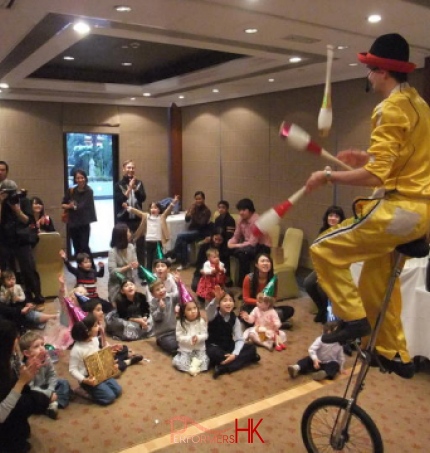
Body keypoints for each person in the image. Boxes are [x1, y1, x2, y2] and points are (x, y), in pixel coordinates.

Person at [304, 33, 430, 379]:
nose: (368, 76)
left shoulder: (388, 108)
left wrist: (329, 175)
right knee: (374, 281)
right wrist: (368, 156)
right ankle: (394, 352)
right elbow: (403, 159)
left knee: (323, 249)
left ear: (380, 71)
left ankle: (353, 319)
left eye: (369, 69)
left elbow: (377, 177)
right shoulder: (418, 103)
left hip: (399, 212)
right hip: (422, 213)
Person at [0, 319, 50, 453]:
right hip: (3, 412)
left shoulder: (9, 355)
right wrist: (22, 381)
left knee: (39, 398)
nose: (17, 340)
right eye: (14, 339)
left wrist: (26, 368)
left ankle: (18, 434)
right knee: (36, 400)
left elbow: (17, 368)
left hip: (9, 392)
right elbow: (1, 415)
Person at [0, 161, 45, 305]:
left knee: (29, 269)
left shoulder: (23, 200)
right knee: (9, 270)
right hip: (5, 240)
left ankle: (36, 294)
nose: (9, 195)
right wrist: (1, 203)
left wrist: (17, 209)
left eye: (11, 192)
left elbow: (27, 221)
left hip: (22, 240)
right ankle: (14, 298)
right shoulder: (1, 201)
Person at [205, 286, 261, 379]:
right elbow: (209, 310)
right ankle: (244, 359)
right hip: (213, 346)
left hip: (228, 346)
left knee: (251, 347)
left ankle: (223, 367)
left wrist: (234, 355)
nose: (228, 303)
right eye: (225, 300)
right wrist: (216, 299)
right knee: (216, 354)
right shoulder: (214, 314)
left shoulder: (235, 319)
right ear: (219, 304)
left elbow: (239, 339)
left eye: (230, 300)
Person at [303, 206, 346, 323]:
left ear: (341, 219)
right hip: (322, 267)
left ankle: (328, 312)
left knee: (322, 287)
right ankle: (321, 308)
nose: (332, 218)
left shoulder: (343, 233)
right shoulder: (322, 231)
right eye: (330, 215)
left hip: (336, 269)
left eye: (336, 216)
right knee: (308, 283)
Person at [69, 313, 122, 406]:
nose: (99, 326)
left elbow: (97, 354)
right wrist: (84, 380)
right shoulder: (76, 350)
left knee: (118, 391)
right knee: (109, 397)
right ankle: (84, 391)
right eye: (95, 325)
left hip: (100, 371)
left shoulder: (94, 340)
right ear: (88, 331)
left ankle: (97, 389)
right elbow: (72, 369)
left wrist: (109, 354)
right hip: (89, 377)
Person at [19, 331, 71, 420]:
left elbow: (52, 375)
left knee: (64, 382)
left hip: (46, 385)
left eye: (42, 344)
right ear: (27, 353)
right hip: (35, 392)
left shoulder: (46, 358)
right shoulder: (24, 367)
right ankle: (52, 404)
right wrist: (49, 394)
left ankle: (53, 403)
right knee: (29, 401)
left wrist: (50, 390)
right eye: (36, 346)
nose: (42, 348)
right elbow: (30, 388)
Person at [85, 299, 143, 370]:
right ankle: (128, 361)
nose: (102, 312)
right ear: (89, 313)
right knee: (115, 366)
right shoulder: (89, 330)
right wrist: (108, 351)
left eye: (101, 310)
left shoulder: (99, 324)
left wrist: (112, 347)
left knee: (123, 348)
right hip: (96, 358)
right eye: (98, 310)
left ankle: (123, 358)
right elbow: (93, 353)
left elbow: (103, 343)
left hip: (102, 351)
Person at [242, 253, 294, 327]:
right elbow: (245, 299)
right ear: (256, 265)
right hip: (252, 307)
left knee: (290, 310)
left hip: (267, 308)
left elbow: (275, 297)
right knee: (244, 318)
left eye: (268, 261)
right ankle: (276, 324)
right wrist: (260, 302)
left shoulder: (273, 279)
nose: (265, 263)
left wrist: (268, 303)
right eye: (262, 261)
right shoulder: (248, 278)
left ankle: (268, 323)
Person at [128, 195, 179, 270]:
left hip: (158, 242)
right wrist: (128, 208)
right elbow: (137, 212)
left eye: (155, 207)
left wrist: (173, 202)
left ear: (159, 210)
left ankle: (160, 273)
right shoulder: (146, 216)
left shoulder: (162, 217)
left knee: (159, 260)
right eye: (151, 207)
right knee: (149, 260)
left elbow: (168, 210)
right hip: (148, 241)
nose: (153, 209)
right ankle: (149, 276)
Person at [228, 198, 271, 286]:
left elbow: (253, 243)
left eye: (244, 210)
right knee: (226, 250)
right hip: (248, 246)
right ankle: (227, 278)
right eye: (239, 210)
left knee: (243, 254)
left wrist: (236, 245)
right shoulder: (240, 219)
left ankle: (245, 284)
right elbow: (236, 236)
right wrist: (230, 243)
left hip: (262, 247)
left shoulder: (257, 221)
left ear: (250, 210)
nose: (241, 212)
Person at [167, 191, 212, 270]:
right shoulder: (193, 207)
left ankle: (173, 255)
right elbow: (187, 220)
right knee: (183, 241)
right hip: (192, 231)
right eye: (196, 199)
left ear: (203, 199)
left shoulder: (206, 211)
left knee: (180, 236)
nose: (198, 201)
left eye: (200, 199)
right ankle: (184, 263)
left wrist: (193, 214)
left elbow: (202, 224)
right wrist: (188, 214)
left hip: (200, 232)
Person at [114, 160, 146, 265]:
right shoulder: (118, 185)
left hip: (138, 220)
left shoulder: (139, 183)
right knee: (123, 245)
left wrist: (135, 189)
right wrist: (129, 188)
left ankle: (142, 272)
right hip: (123, 220)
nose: (131, 170)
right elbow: (120, 200)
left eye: (132, 168)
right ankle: (124, 270)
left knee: (141, 246)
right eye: (128, 167)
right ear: (124, 169)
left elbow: (143, 198)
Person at [61, 169, 97, 262]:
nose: (80, 180)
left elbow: (83, 206)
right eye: (78, 178)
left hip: (84, 223)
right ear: (75, 179)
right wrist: (69, 206)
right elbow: (63, 204)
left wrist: (74, 206)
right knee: (76, 247)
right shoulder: (71, 190)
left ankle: (91, 268)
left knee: (84, 247)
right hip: (73, 223)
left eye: (82, 177)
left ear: (85, 178)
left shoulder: (89, 191)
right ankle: (80, 270)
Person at [172, 300, 209, 376]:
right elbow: (179, 337)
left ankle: (194, 363)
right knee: (182, 366)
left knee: (204, 365)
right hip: (186, 349)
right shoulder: (180, 323)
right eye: (189, 309)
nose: (193, 311)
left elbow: (205, 335)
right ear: (184, 312)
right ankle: (178, 357)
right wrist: (189, 339)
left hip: (199, 348)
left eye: (195, 308)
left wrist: (198, 338)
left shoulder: (201, 321)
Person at [191, 227, 231, 292]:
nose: (217, 242)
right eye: (216, 239)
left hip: (218, 275)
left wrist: (222, 271)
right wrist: (203, 271)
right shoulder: (204, 247)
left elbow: (226, 266)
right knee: (195, 286)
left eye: (220, 240)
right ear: (212, 237)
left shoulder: (225, 250)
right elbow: (199, 264)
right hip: (204, 273)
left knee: (225, 287)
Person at [107, 223, 139, 303]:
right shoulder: (113, 252)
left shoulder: (131, 247)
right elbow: (112, 272)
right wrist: (128, 267)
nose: (130, 233)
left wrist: (136, 265)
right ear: (122, 236)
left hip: (129, 281)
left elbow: (135, 261)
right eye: (128, 232)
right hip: (117, 284)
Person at [149, 279, 179, 355]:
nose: (161, 291)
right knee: (174, 347)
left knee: (187, 342)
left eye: (162, 287)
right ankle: (160, 341)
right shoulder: (153, 303)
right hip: (163, 334)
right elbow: (156, 318)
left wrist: (178, 283)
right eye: (157, 290)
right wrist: (161, 309)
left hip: (176, 330)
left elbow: (181, 296)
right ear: (153, 294)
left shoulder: (171, 297)